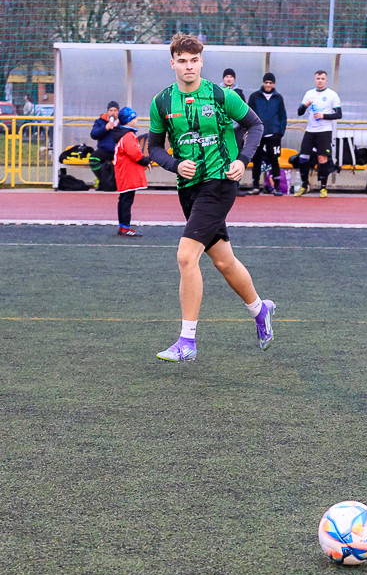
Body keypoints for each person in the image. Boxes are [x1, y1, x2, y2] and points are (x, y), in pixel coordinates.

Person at [147, 32, 275, 363]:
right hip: (188, 189)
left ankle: (187, 341)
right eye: (182, 61)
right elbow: (155, 148)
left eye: (194, 60)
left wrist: (241, 161)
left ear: (201, 62)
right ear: (172, 63)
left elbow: (255, 125)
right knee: (222, 260)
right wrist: (175, 164)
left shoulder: (221, 95)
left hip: (220, 183)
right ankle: (260, 309)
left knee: (186, 256)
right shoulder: (162, 102)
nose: (188, 66)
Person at [295, 70, 341, 197]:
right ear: (314, 79)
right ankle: (304, 185)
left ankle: (323, 187)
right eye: (318, 78)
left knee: (322, 158)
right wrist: (305, 105)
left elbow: (339, 114)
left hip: (324, 131)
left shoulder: (332, 95)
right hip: (310, 130)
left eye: (322, 78)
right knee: (303, 157)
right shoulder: (309, 93)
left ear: (326, 80)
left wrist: (324, 116)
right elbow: (299, 112)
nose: (320, 81)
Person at [246, 72, 288, 195]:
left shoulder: (278, 98)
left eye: (270, 83)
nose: (268, 85)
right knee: (256, 160)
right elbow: (249, 114)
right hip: (257, 134)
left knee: (274, 160)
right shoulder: (254, 97)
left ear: (274, 84)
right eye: (266, 82)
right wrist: (250, 130)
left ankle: (277, 188)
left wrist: (280, 132)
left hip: (273, 134)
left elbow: (282, 116)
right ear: (263, 83)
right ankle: (255, 186)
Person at [111, 106, 148, 237]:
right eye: (134, 118)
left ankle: (123, 227)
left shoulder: (123, 134)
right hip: (127, 173)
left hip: (123, 171)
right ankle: (125, 228)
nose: (136, 120)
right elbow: (135, 154)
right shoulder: (128, 135)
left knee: (124, 199)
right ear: (128, 120)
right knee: (127, 200)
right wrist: (147, 160)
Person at [221, 68, 249, 197]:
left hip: (236, 130)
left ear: (234, 79)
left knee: (236, 157)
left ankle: (235, 185)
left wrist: (243, 128)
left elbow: (243, 110)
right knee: (221, 156)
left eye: (231, 77)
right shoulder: (217, 92)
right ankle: (220, 185)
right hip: (222, 130)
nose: (228, 79)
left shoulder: (239, 93)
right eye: (226, 76)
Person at [89, 101, 121, 190]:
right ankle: (104, 180)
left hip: (119, 151)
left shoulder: (122, 122)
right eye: (111, 110)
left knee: (130, 161)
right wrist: (105, 128)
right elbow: (94, 135)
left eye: (115, 110)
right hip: (104, 150)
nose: (113, 112)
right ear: (107, 112)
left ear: (118, 112)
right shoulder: (100, 121)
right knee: (93, 159)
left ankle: (119, 183)